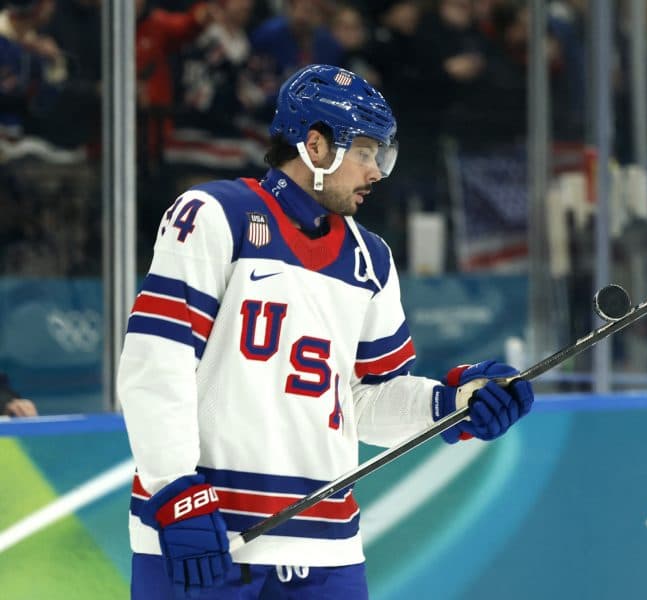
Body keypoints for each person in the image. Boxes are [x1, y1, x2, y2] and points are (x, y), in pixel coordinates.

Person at [117, 64, 534, 599]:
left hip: (327, 548)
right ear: (315, 145)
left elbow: (364, 400)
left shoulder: (370, 260)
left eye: (383, 154)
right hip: (209, 535)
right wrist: (173, 488)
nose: (377, 171)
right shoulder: (216, 216)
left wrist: (453, 403)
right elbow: (157, 361)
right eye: (365, 151)